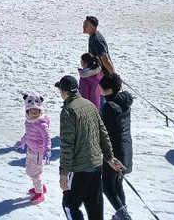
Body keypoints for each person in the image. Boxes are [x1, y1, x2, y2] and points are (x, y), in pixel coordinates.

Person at [55, 74, 120, 220]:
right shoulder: (90, 105)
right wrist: (109, 157)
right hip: (96, 165)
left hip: (80, 168)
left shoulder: (68, 111)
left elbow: (67, 145)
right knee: (94, 206)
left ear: (64, 91)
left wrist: (63, 173)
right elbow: (103, 132)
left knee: (69, 205)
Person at [99, 73, 134, 220]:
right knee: (117, 184)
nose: (99, 90)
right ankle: (121, 215)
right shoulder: (123, 102)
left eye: (101, 88)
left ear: (108, 90)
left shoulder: (109, 106)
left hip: (114, 152)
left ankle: (124, 217)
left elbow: (104, 132)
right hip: (126, 149)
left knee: (107, 186)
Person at [13, 93, 51, 204]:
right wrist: (22, 141)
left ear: (40, 111)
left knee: (35, 173)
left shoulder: (42, 125)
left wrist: (47, 150)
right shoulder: (28, 122)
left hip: (38, 152)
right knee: (29, 170)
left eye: (36, 111)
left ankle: (39, 193)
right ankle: (40, 186)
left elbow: (47, 138)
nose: (34, 114)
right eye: (31, 111)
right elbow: (28, 135)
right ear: (27, 112)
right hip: (30, 149)